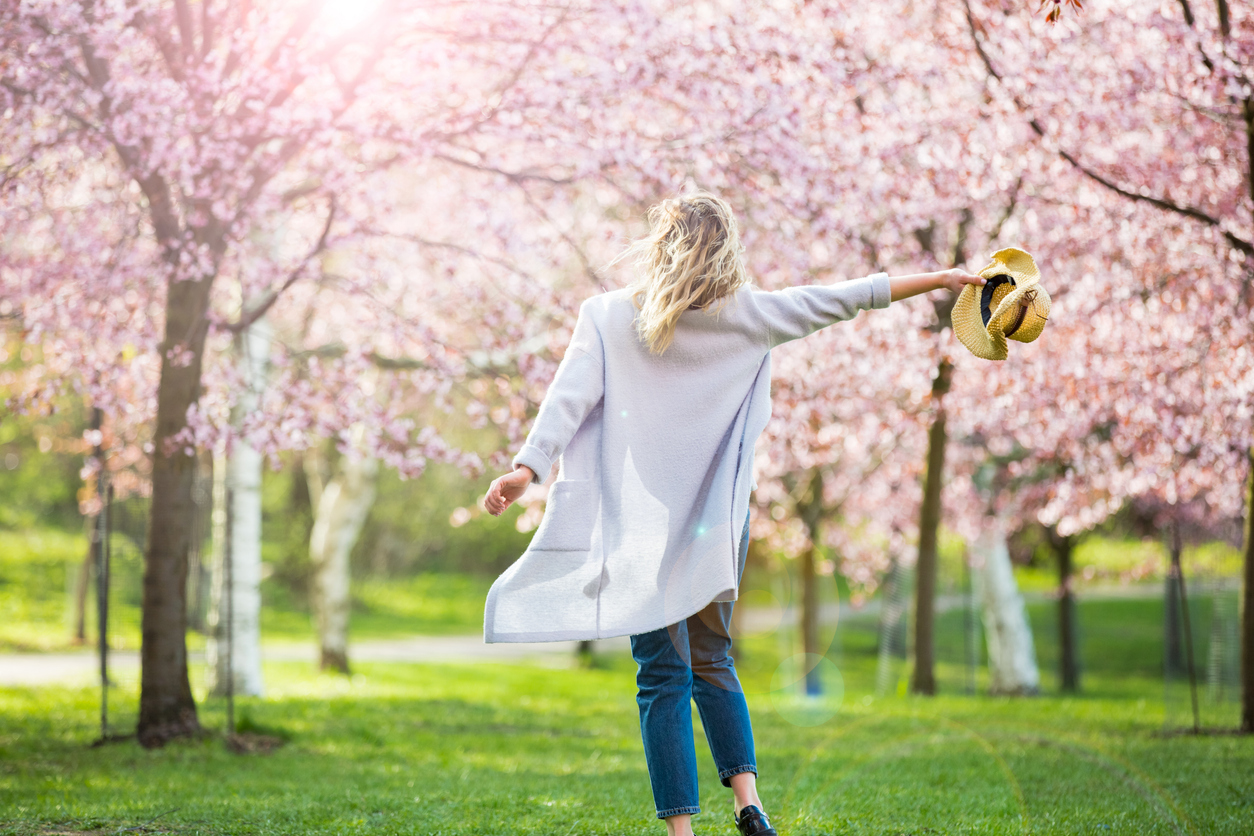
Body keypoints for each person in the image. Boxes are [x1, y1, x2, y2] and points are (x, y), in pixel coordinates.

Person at [484, 192, 985, 836]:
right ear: (727, 249)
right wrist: (941, 280)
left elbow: (566, 401)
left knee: (662, 675)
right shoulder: (750, 316)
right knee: (713, 657)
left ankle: (682, 832)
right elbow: (846, 296)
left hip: (644, 529)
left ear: (660, 246)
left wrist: (527, 468)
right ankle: (750, 805)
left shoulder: (609, 317)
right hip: (715, 524)